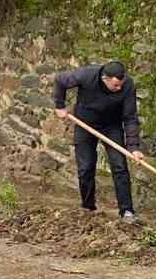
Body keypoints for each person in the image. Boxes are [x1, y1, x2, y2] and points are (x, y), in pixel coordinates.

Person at [53, 60, 145, 223]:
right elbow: (60, 79)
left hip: (111, 126)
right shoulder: (87, 74)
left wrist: (134, 147)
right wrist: (59, 106)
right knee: (86, 166)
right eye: (115, 86)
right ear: (105, 79)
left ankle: (127, 211)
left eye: (121, 85)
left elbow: (130, 117)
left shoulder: (128, 84)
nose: (119, 89)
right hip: (85, 124)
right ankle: (88, 207)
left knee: (119, 166)